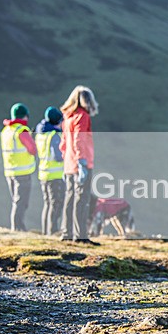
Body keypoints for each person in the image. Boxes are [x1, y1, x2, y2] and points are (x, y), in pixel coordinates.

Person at [59, 85, 99, 245]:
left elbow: (63, 143)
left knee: (70, 198)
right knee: (82, 200)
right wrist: (82, 161)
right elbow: (79, 139)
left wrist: (67, 160)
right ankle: (80, 235)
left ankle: (66, 232)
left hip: (69, 164)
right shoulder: (82, 116)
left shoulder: (68, 117)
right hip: (81, 163)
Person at [0, 103, 37, 231]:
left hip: (9, 171)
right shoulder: (21, 131)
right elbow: (32, 149)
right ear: (25, 116)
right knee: (21, 202)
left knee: (16, 201)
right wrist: (33, 139)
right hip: (22, 172)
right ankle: (17, 228)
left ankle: (18, 227)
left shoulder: (6, 130)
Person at [34, 106, 65, 235]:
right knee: (56, 204)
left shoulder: (41, 134)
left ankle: (46, 231)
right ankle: (53, 231)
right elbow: (57, 156)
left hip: (44, 173)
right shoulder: (54, 135)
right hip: (55, 175)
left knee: (48, 204)